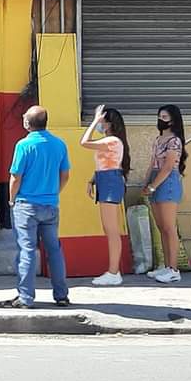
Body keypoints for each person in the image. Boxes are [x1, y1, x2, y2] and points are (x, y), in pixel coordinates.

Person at [1, 106, 70, 309]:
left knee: (26, 251)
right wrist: (54, 192)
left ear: (27, 123)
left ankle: (25, 297)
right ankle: (61, 295)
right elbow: (65, 175)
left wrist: (11, 199)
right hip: (50, 205)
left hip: (26, 205)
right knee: (54, 250)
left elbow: (16, 177)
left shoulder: (24, 145)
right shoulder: (59, 144)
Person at [80, 105, 131, 286]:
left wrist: (94, 121)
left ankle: (113, 271)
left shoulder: (112, 141)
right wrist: (93, 180)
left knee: (112, 230)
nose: (100, 125)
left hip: (110, 182)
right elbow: (106, 163)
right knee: (108, 228)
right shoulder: (109, 142)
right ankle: (112, 271)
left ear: (108, 123)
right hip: (104, 179)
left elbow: (84, 142)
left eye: (102, 121)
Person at [142, 105, 188, 284]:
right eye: (160, 116)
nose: (162, 119)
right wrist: (146, 183)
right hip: (155, 178)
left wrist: (153, 186)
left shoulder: (175, 141)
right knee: (161, 227)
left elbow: (168, 166)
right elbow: (152, 163)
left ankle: (174, 269)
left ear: (173, 119)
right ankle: (167, 265)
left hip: (167, 182)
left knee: (169, 227)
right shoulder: (158, 138)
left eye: (165, 116)